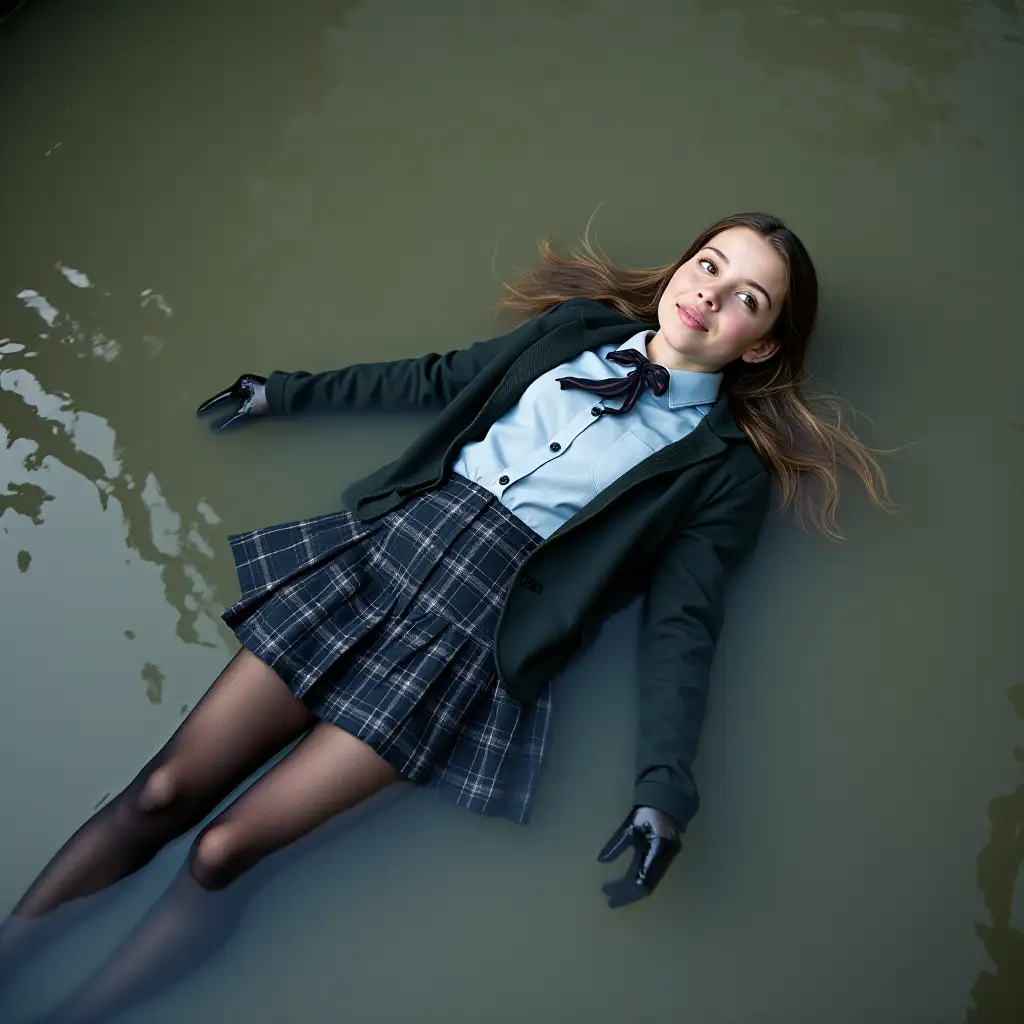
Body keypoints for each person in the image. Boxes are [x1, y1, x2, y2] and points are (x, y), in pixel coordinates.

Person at [0, 212, 890, 1021]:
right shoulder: (574, 333)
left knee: (223, 852)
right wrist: (285, 393)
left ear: (761, 348)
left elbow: (681, 627)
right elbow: (437, 379)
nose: (709, 293)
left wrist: (666, 788)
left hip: (476, 637)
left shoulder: (723, 473)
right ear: (680, 268)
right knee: (162, 792)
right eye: (709, 263)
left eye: (747, 297)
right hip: (380, 560)